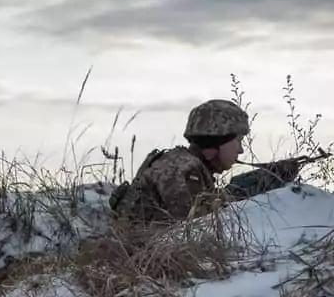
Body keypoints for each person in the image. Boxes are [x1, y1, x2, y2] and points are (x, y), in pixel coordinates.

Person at [109, 99, 307, 231]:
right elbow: (198, 228)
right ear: (217, 140)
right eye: (238, 141)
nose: (241, 150)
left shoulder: (180, 163)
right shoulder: (184, 169)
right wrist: (253, 188)